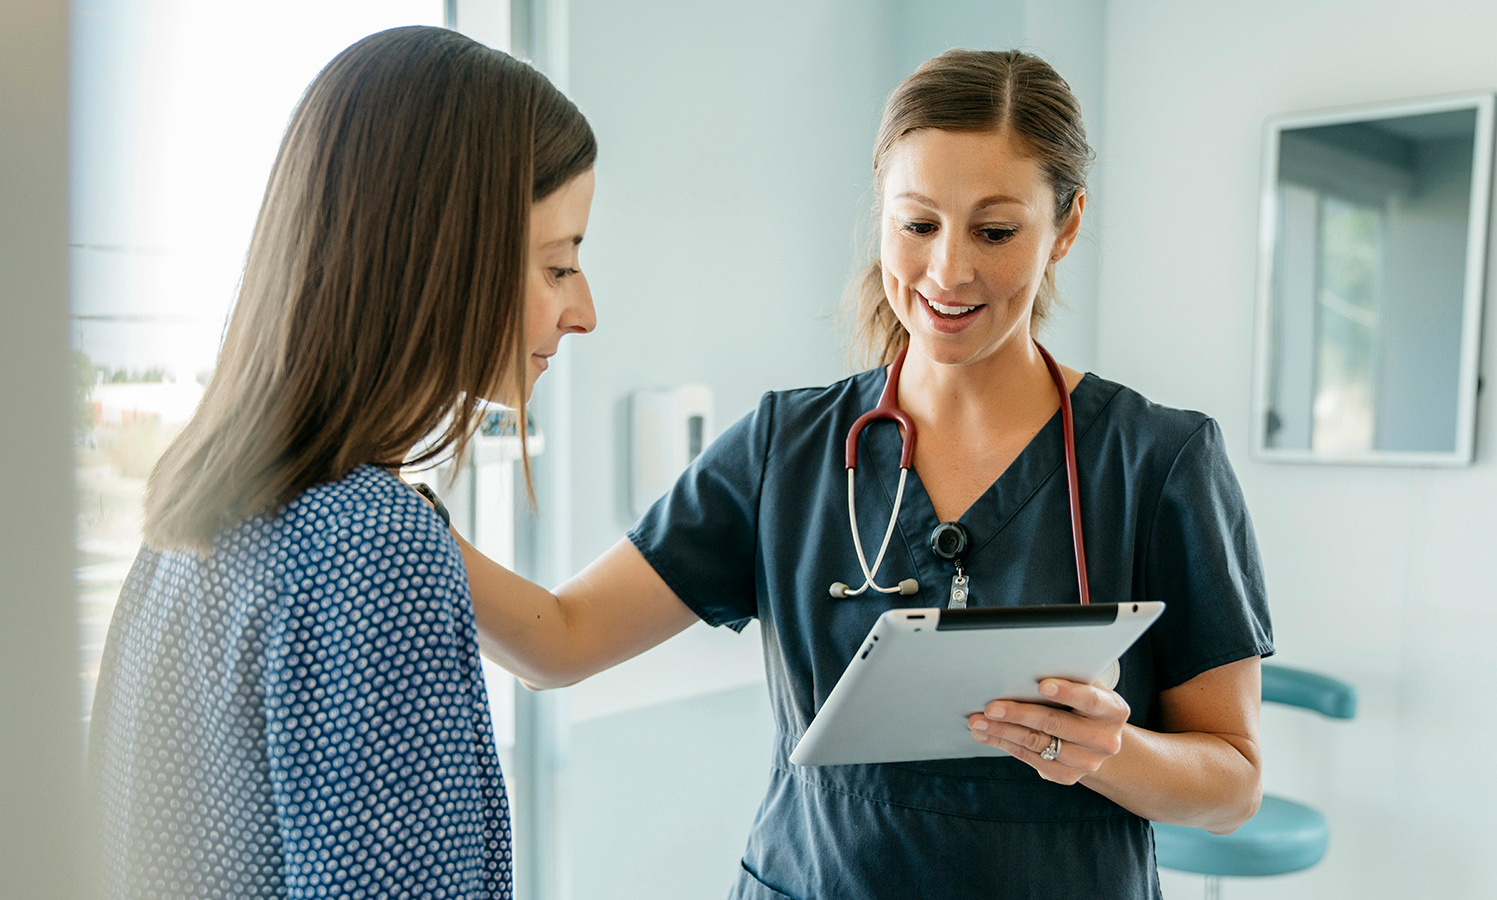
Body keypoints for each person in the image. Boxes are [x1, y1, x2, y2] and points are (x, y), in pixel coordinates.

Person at [461, 48, 1272, 899]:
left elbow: (1233, 787)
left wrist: (1116, 752)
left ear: (1066, 226)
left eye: (995, 231)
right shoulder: (787, 448)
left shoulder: (1159, 462)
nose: (948, 271)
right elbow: (559, 641)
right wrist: (397, 512)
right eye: (917, 224)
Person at [87, 26, 597, 900]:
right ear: (445, 261)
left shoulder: (192, 517)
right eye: (558, 267)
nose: (582, 311)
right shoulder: (374, 549)